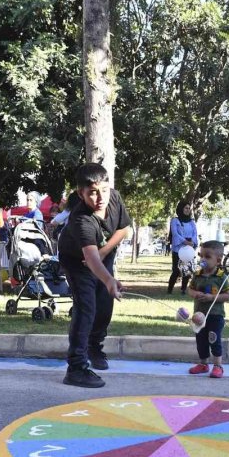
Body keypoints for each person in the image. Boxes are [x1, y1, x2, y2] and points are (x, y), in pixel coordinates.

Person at [57, 163, 130, 388]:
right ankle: (76, 368)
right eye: (92, 193)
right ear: (81, 193)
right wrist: (108, 279)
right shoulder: (81, 219)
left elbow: (124, 229)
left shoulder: (114, 198)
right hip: (76, 261)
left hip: (101, 255)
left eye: (104, 190)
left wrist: (104, 253)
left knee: (104, 306)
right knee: (86, 307)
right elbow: (89, 259)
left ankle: (94, 347)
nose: (100, 198)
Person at [187, 241, 229, 379]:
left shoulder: (221, 277)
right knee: (200, 340)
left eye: (207, 257)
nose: (202, 259)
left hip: (215, 315)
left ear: (218, 260)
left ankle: (218, 365)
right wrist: (195, 294)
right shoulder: (197, 275)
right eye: (201, 256)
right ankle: (203, 364)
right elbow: (190, 289)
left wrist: (212, 297)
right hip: (199, 316)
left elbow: (228, 295)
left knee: (214, 340)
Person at [167, 201, 198, 295]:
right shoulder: (175, 221)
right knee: (176, 270)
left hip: (189, 249)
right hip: (178, 248)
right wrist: (184, 241)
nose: (188, 210)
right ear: (181, 209)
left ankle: (183, 289)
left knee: (187, 270)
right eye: (186, 208)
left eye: (189, 208)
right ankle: (170, 290)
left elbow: (194, 233)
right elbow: (175, 234)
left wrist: (192, 242)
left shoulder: (192, 221)